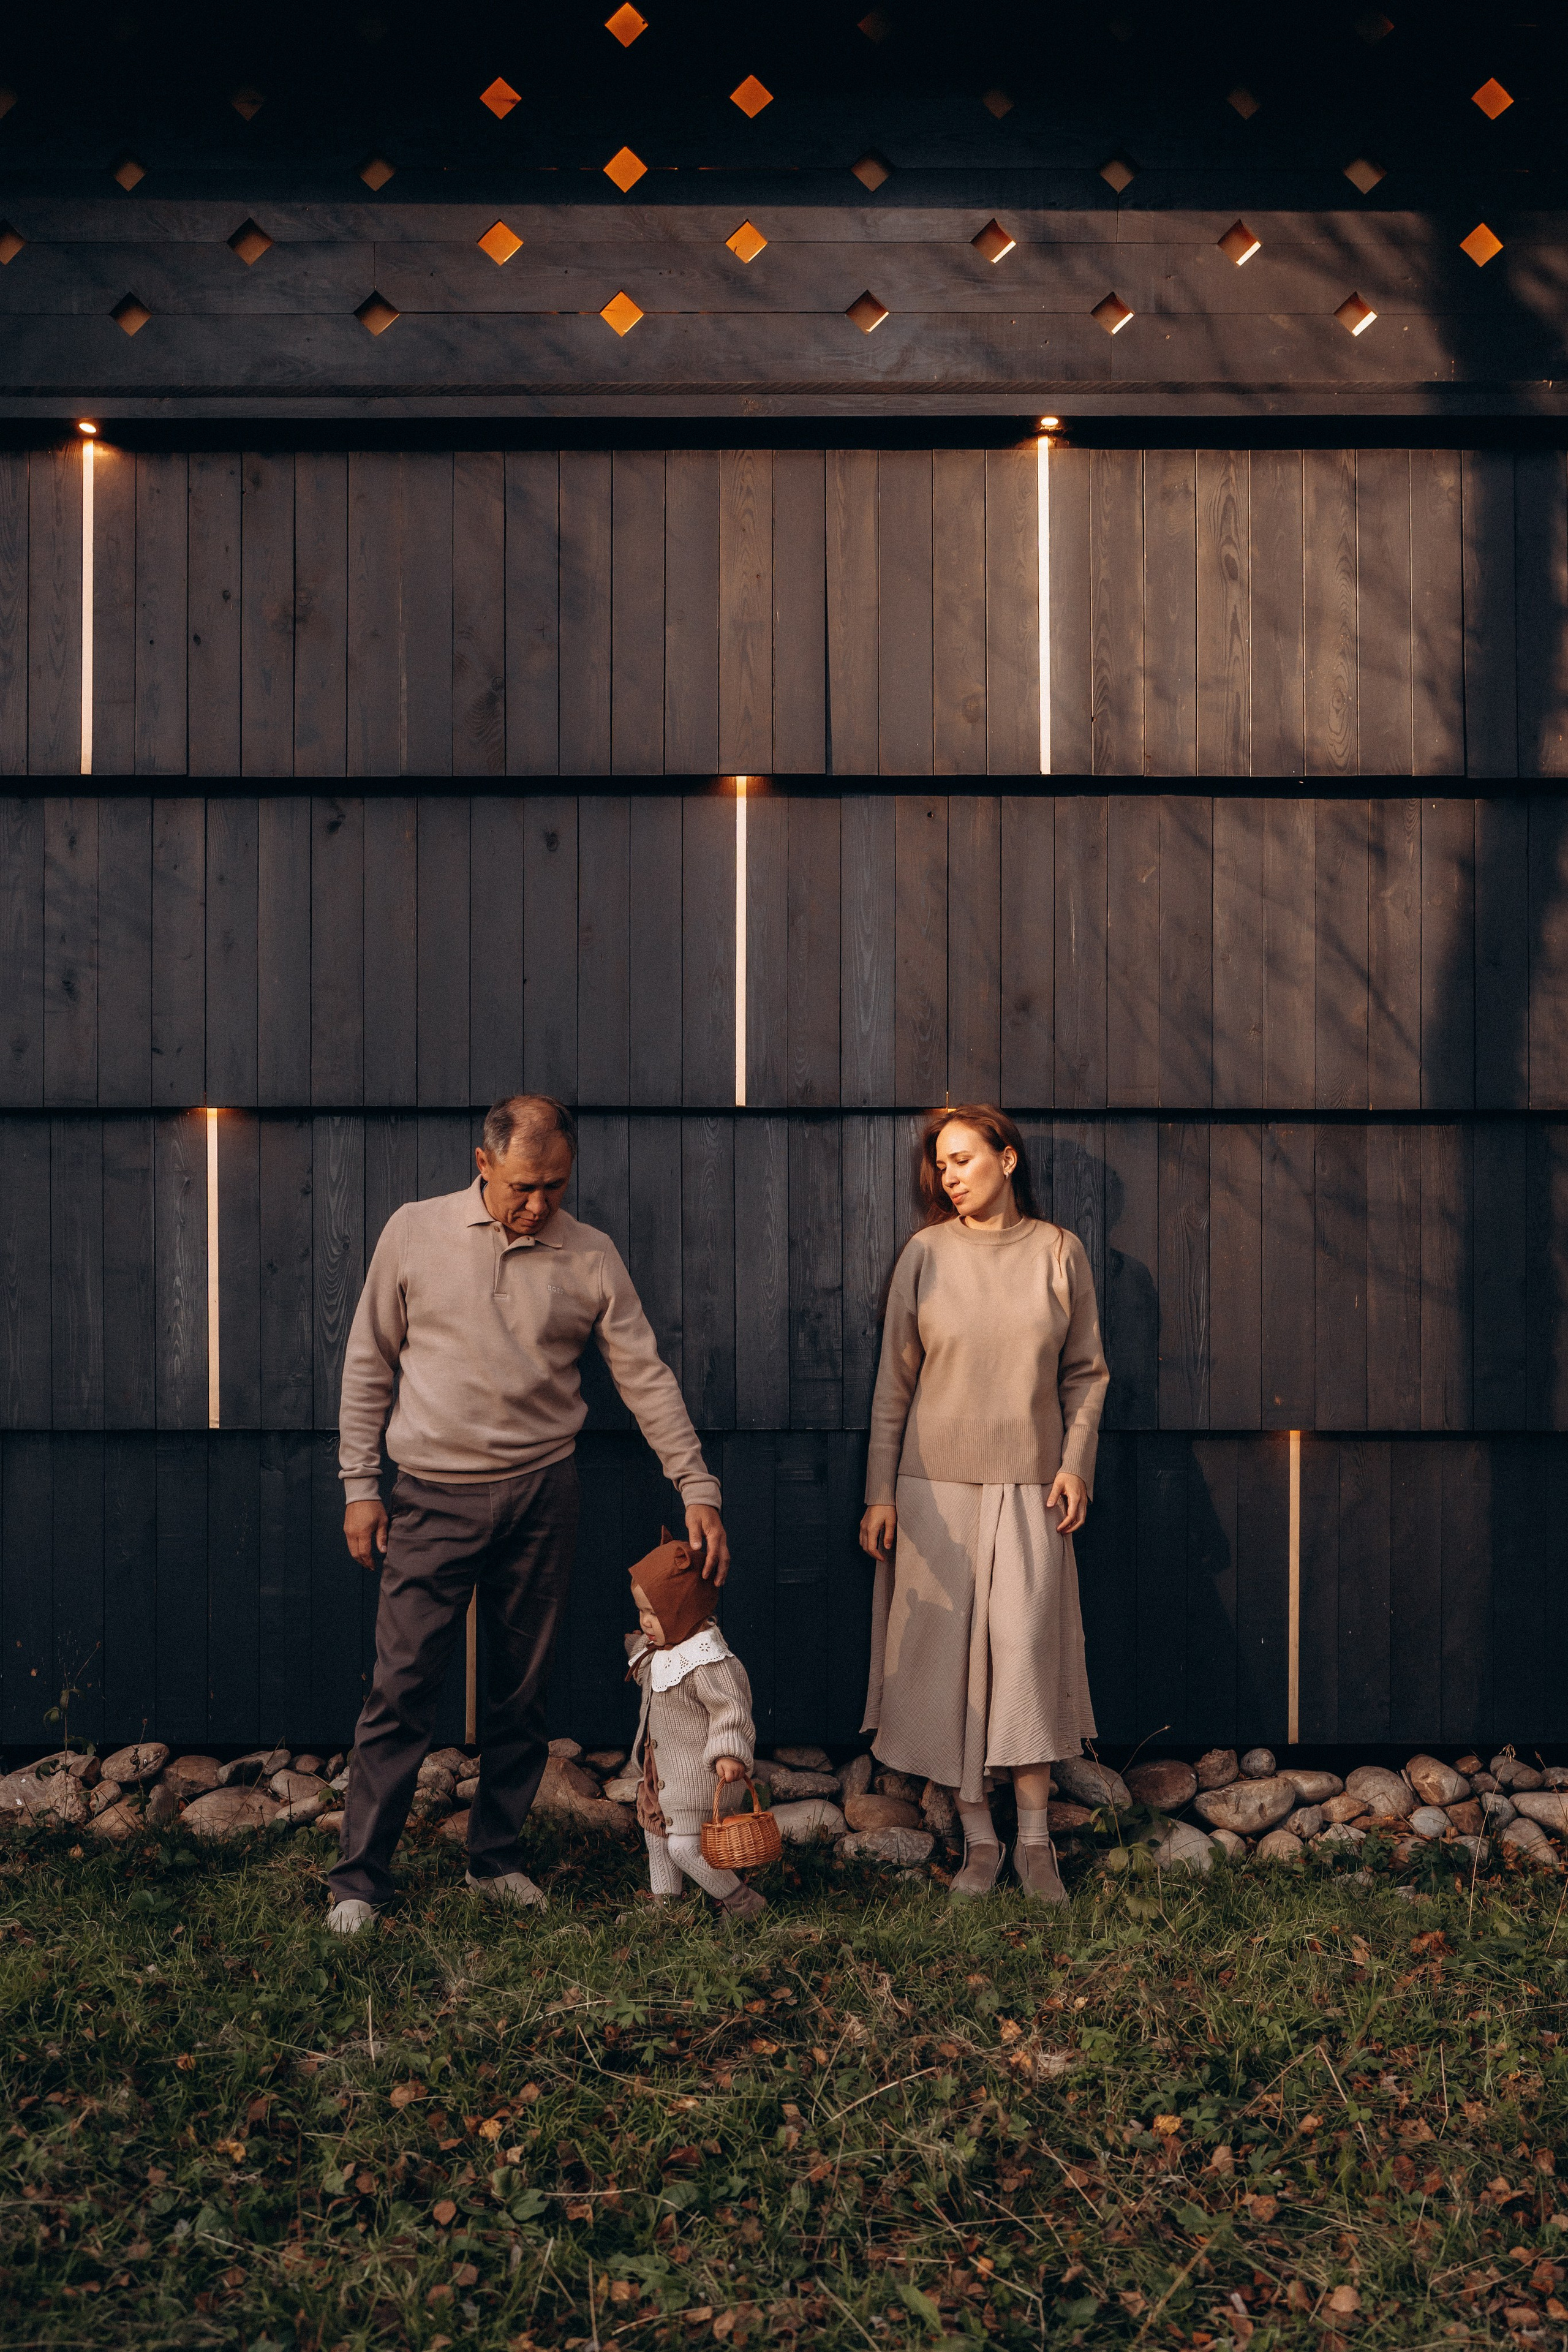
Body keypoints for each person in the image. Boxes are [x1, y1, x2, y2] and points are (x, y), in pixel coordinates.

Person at [327, 1093, 729, 1934]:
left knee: (522, 1690)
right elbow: (369, 1362)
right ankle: (360, 1882)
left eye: (554, 1185)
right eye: (522, 1185)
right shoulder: (413, 1231)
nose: (539, 1203)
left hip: (544, 1492)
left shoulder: (590, 1256)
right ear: (483, 1164)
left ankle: (497, 1860)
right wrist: (360, 1486)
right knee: (401, 1687)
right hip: (431, 1493)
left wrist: (697, 1486)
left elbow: (644, 1377)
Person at [858, 1106, 1109, 1905]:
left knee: (1027, 1656)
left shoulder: (1058, 1253)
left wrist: (1076, 1465)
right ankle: (980, 1840)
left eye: (964, 1159)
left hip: (1032, 1489)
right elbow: (893, 1385)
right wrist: (878, 1492)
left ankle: (1036, 1846)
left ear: (1007, 1158)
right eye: (941, 1165)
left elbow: (1087, 1374)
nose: (951, 1176)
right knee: (946, 1668)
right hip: (933, 1495)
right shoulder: (926, 1255)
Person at [625, 1529, 767, 1924]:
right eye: (641, 1612)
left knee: (685, 1848)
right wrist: (638, 1649)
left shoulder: (707, 1661)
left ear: (684, 1611)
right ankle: (666, 1906)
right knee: (657, 1838)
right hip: (661, 1775)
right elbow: (653, 1679)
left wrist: (729, 1750)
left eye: (655, 1614)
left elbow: (731, 1709)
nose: (646, 1623)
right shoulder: (664, 1651)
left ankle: (743, 1903)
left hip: (696, 1776)